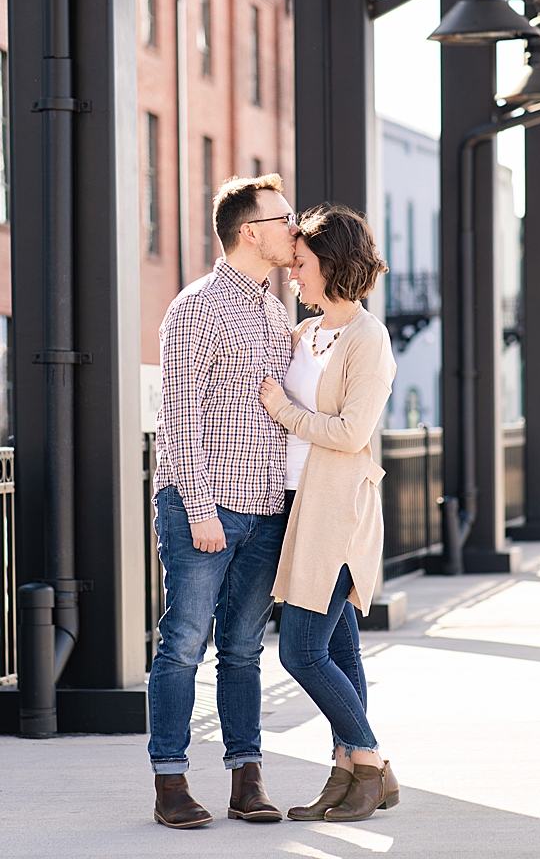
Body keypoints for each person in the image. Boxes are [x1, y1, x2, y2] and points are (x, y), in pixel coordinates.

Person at [148, 174, 298, 828]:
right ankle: (170, 781)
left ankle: (246, 778)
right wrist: (202, 509)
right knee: (182, 642)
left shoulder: (273, 310)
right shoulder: (196, 307)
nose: (294, 228)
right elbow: (177, 417)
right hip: (203, 507)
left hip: (264, 509)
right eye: (285, 217)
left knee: (242, 648)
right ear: (250, 231)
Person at [258, 203, 398, 823]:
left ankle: (368, 761)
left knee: (301, 653)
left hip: (337, 517)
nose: (294, 276)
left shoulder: (369, 340)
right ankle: (350, 778)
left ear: (332, 265)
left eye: (303, 264)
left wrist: (282, 410)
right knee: (340, 656)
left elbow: (349, 432)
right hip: (295, 509)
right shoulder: (303, 334)